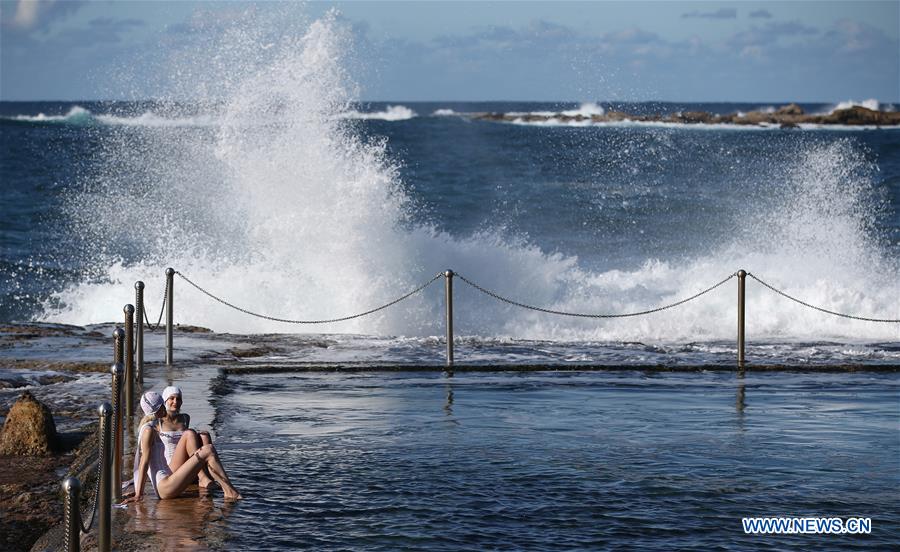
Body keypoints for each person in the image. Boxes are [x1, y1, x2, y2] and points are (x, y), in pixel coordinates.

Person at [122, 391, 241, 503]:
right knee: (208, 450)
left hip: (169, 480)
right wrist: (139, 494)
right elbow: (144, 461)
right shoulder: (148, 430)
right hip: (165, 487)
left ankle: (227, 489)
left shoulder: (150, 427)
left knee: (207, 448)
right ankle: (230, 492)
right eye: (162, 404)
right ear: (157, 409)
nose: (165, 407)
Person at [158, 386, 215, 488]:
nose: (175, 402)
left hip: (186, 464)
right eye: (172, 398)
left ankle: (210, 475)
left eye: (178, 399)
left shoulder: (185, 418)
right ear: (165, 400)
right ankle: (202, 477)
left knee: (204, 435)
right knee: (189, 433)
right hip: (170, 468)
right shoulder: (158, 422)